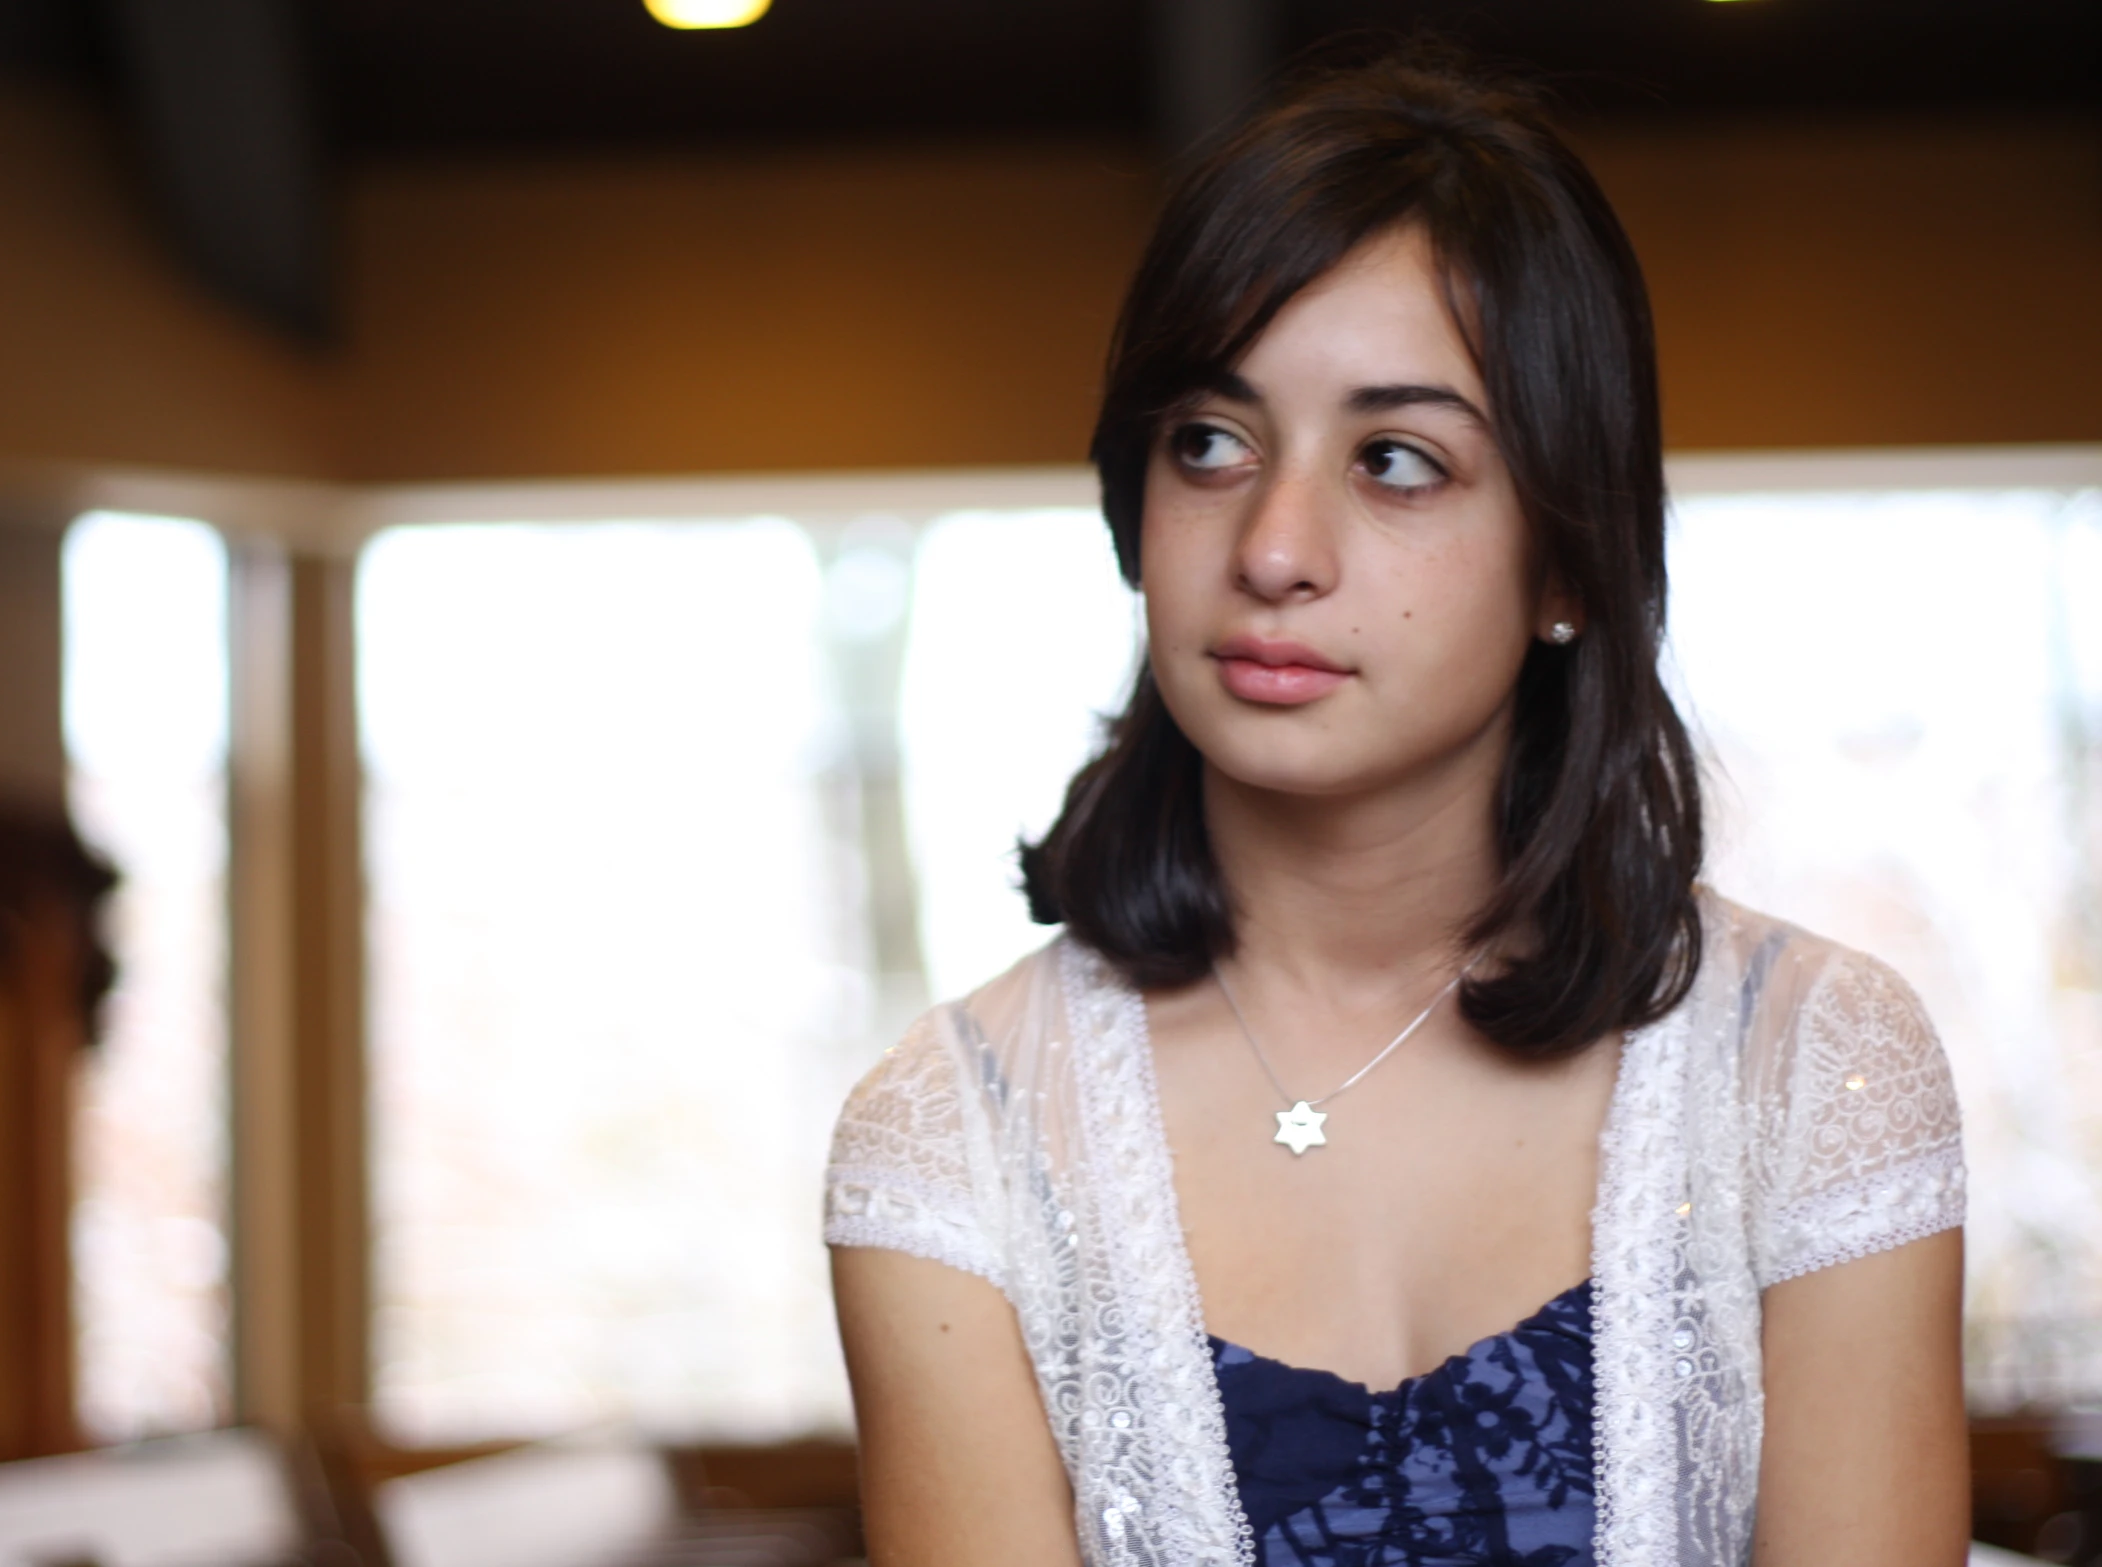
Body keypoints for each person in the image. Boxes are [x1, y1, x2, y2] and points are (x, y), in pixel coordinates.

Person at [821, 48, 1970, 1567]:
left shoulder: (1815, 1067)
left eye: (1396, 460)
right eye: (1210, 443)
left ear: (1567, 561)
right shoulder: (950, 1134)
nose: (1275, 547)